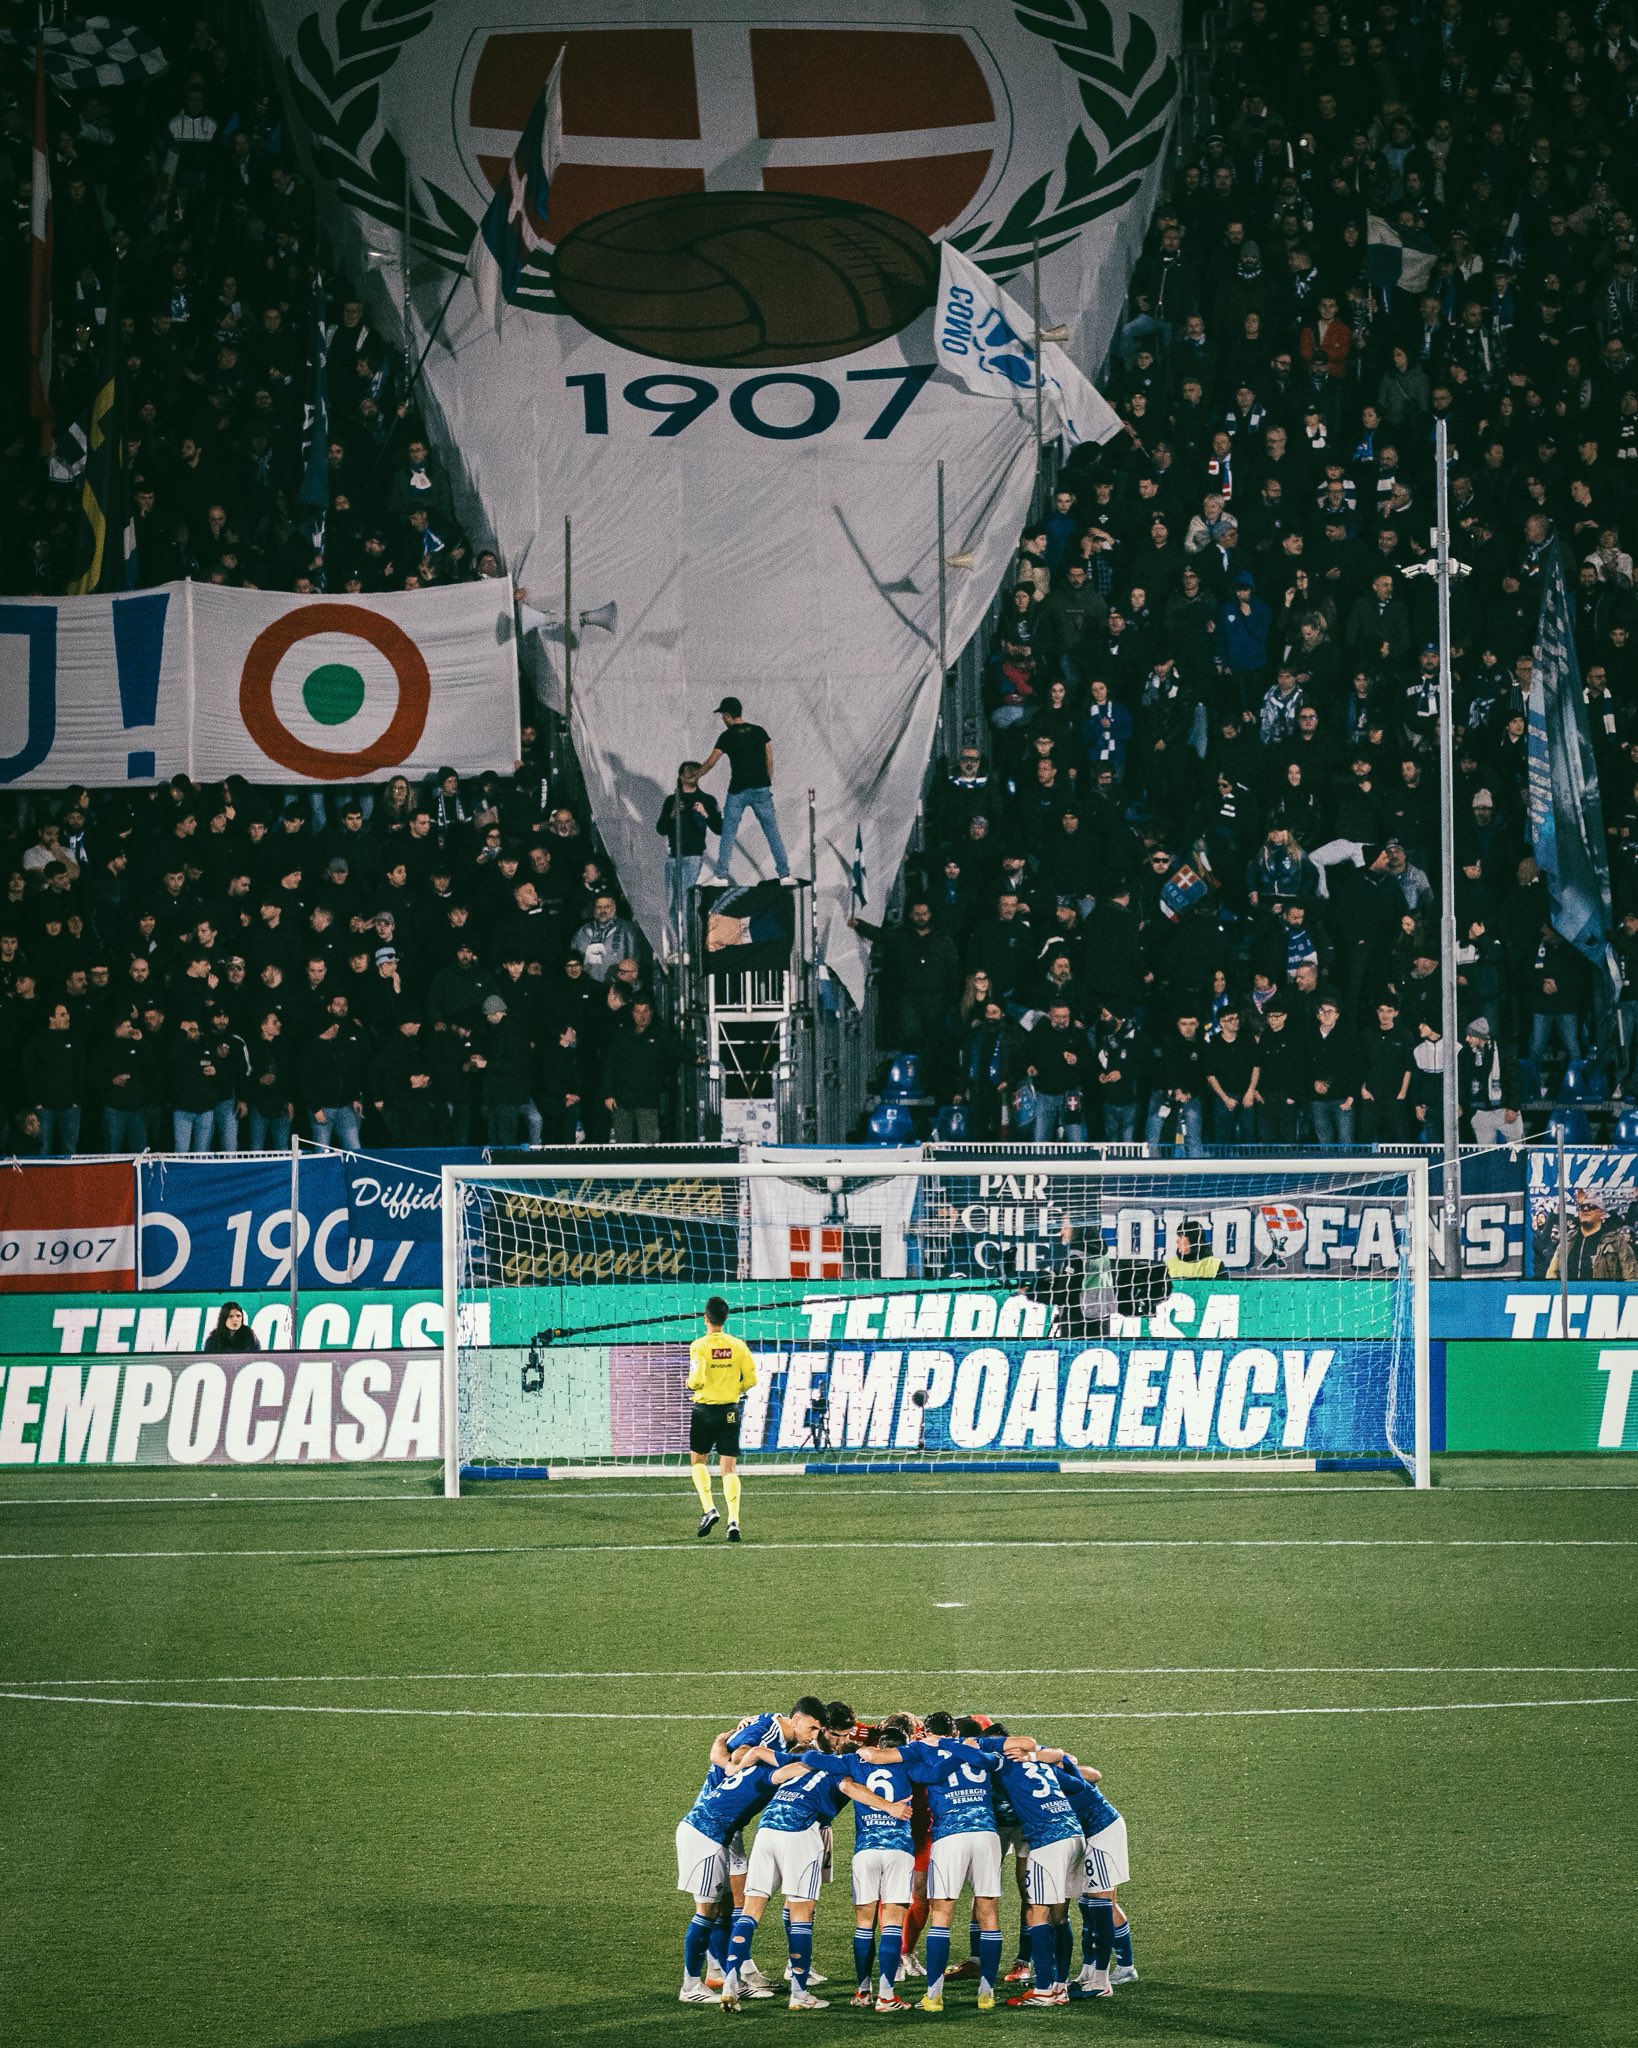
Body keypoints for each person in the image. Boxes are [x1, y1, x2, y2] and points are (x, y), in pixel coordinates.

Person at [720, 1746, 912, 2012]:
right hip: (801, 1832)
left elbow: (764, 1755)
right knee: (801, 1912)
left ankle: (730, 1983)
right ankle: (799, 1993)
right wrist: (888, 1807)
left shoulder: (801, 1766)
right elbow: (848, 1787)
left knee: (751, 1910)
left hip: (767, 1829)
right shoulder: (838, 1769)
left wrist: (737, 1767)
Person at [698, 697, 795, 885]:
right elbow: (769, 759)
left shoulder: (727, 736)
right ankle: (785, 874)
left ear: (727, 715)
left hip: (738, 790)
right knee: (772, 831)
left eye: (722, 716)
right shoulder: (760, 732)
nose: (722, 720)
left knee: (728, 832)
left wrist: (696, 775)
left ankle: (721, 875)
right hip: (761, 788)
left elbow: (711, 762)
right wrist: (767, 781)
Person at [687, 1296, 756, 1541]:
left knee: (698, 1461)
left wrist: (690, 1384)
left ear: (706, 1318)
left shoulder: (699, 1346)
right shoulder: (738, 1346)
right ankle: (734, 1521)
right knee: (728, 1468)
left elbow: (696, 1380)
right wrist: (733, 1390)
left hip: (704, 1411)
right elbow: (751, 1380)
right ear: (726, 1319)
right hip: (730, 1411)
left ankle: (709, 1508)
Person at [656, 762, 722, 953]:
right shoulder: (672, 800)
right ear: (681, 775)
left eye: (696, 773)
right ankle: (678, 946)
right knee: (671, 904)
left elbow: (720, 828)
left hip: (692, 856)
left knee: (685, 901)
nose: (692, 776)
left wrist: (705, 813)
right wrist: (671, 814)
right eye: (688, 773)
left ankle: (688, 948)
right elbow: (660, 829)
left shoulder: (706, 799)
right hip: (673, 856)